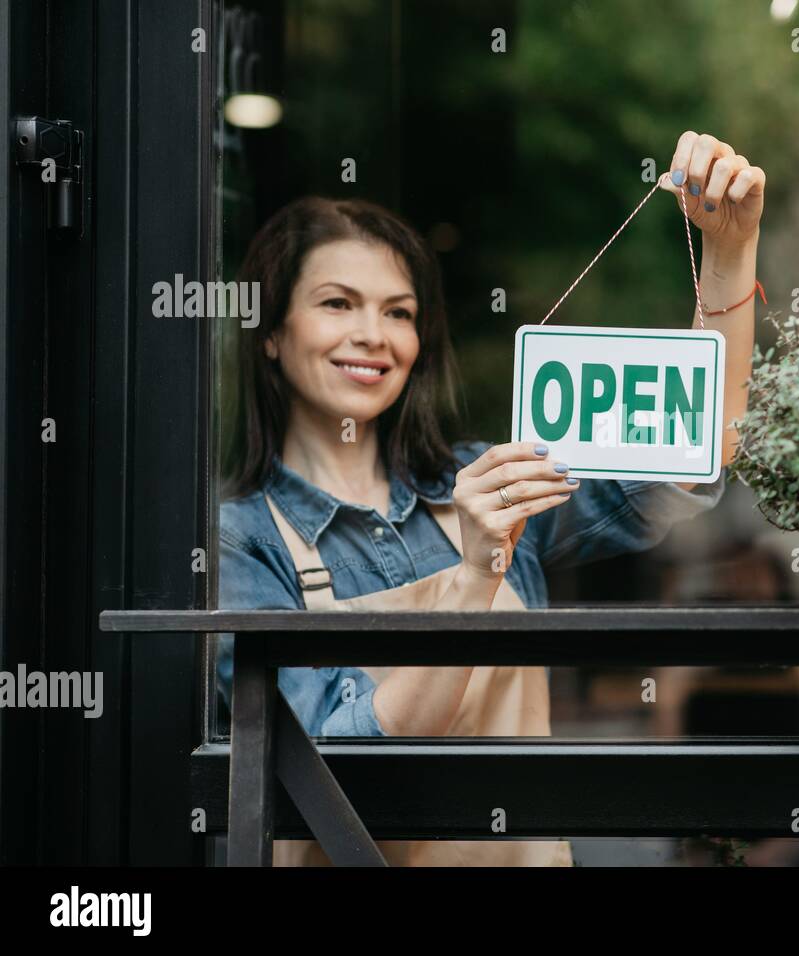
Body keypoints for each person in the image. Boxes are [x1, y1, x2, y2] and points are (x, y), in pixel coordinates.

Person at [216, 131, 766, 865]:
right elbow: (332, 780)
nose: (372, 336)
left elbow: (691, 455)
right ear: (272, 335)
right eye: (337, 304)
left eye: (400, 312)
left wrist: (730, 250)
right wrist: (475, 578)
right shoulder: (238, 538)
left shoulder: (487, 480)